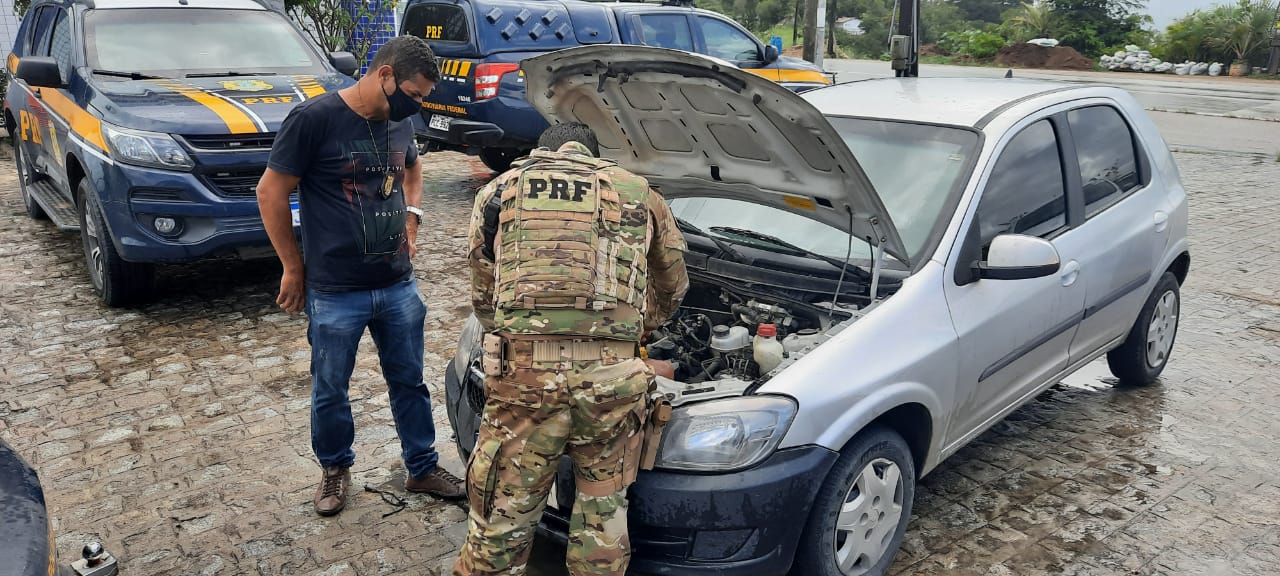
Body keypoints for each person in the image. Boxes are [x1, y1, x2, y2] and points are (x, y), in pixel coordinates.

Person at [453, 123, 689, 575]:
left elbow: (483, 288)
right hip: (611, 384)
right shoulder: (639, 193)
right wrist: (637, 331)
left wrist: (511, 336)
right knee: (602, 519)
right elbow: (673, 283)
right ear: (594, 155)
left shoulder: (500, 191)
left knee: (501, 519)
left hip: (523, 384)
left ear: (542, 151)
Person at [256, 35, 465, 517]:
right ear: (385, 74)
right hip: (335, 289)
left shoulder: (398, 124)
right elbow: (270, 193)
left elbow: (413, 171)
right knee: (331, 387)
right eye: (412, 94)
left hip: (397, 284)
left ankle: (422, 466)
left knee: (410, 380)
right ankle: (335, 469)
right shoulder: (314, 120)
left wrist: (413, 217)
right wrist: (292, 266)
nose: (415, 107)